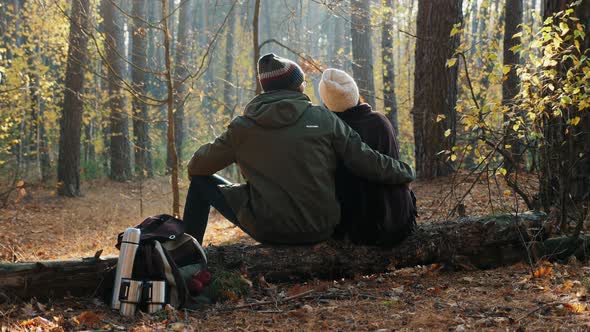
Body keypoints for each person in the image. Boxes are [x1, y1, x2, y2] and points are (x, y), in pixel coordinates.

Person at [183, 53, 415, 245]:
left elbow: (196, 168)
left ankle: (189, 259)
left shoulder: (242, 128)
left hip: (269, 230)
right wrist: (405, 171)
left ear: (266, 90)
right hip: (322, 227)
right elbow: (365, 160)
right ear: (297, 86)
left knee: (200, 184)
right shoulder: (323, 118)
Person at [319, 68, 417, 246]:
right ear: (355, 93)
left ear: (327, 102)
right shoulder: (380, 121)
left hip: (359, 226)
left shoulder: (332, 132)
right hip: (398, 218)